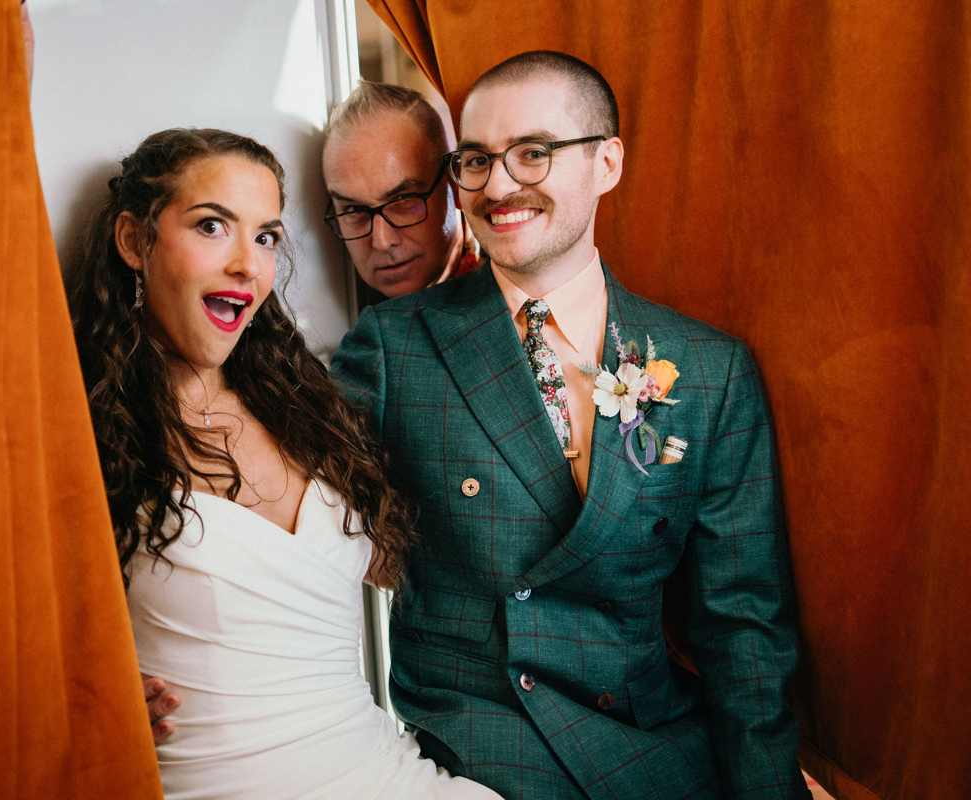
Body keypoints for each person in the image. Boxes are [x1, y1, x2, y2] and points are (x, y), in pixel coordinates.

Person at [330, 52, 809, 800]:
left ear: (607, 162)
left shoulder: (711, 371)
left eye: (533, 153)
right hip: (473, 758)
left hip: (654, 749)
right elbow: (288, 525)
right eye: (477, 160)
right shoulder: (393, 348)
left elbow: (742, 628)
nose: (498, 185)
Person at [66, 128, 502, 800]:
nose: (249, 264)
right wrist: (82, 688)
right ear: (133, 241)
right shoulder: (83, 433)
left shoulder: (303, 405)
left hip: (385, 771)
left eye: (267, 236)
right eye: (213, 226)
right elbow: (5, 630)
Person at [322, 82, 479, 298]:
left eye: (403, 200)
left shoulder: (515, 295)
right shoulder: (350, 310)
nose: (382, 242)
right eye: (353, 210)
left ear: (455, 183)